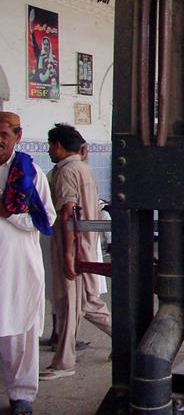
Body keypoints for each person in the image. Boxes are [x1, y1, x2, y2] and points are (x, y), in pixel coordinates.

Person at [40, 124, 112, 381]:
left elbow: (68, 213)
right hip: (86, 245)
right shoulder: (82, 168)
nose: (49, 151)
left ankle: (64, 363)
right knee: (88, 304)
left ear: (58, 145)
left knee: (71, 305)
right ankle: (130, 342)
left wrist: (69, 256)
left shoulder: (66, 171)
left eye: (51, 145)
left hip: (73, 247)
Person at [0, 112, 56, 414]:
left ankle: (21, 395)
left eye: (3, 135)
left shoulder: (29, 173)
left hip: (17, 266)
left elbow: (46, 220)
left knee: (19, 332)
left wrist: (8, 213)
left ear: (17, 136)